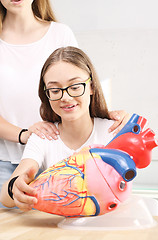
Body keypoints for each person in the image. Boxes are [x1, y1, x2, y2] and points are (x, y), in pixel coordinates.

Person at [0, 0, 129, 194]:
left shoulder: (60, 34)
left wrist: (108, 117)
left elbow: (77, 84)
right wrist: (24, 134)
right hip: (6, 161)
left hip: (61, 159)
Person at [0, 46, 130, 211]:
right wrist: (15, 188)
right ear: (46, 94)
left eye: (75, 86)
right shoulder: (43, 137)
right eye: (55, 90)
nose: (66, 97)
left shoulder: (113, 131)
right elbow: (6, 195)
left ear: (91, 87)